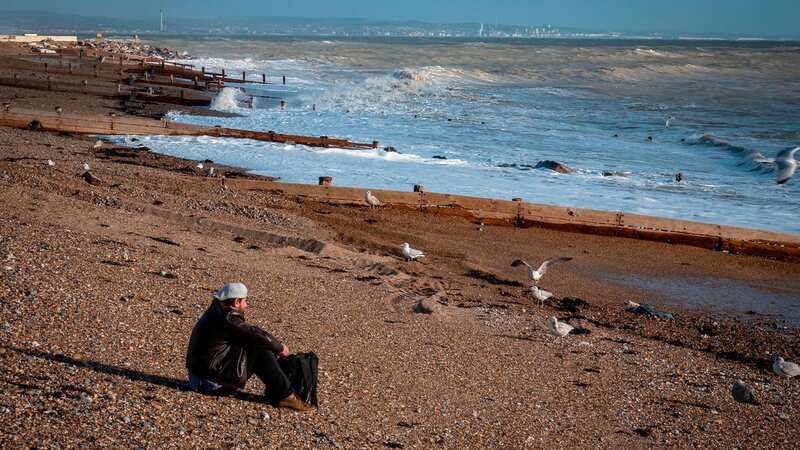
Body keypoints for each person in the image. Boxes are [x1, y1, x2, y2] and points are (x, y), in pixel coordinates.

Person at [185, 282, 313, 412]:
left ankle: (279, 390)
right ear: (236, 302)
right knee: (259, 347)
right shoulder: (227, 318)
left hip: (200, 377)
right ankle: (286, 395)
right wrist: (280, 348)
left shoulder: (216, 312)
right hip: (209, 383)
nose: (246, 304)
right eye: (245, 301)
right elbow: (255, 334)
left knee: (255, 344)